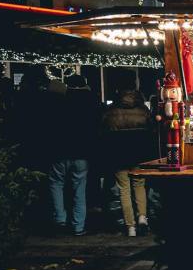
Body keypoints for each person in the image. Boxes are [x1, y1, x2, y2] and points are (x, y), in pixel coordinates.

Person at [47, 74, 101, 236]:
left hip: (60, 151)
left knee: (56, 184)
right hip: (81, 152)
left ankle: (60, 220)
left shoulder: (58, 103)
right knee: (79, 189)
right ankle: (78, 226)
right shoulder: (91, 104)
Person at [101, 88, 156, 236]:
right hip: (139, 154)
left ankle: (130, 226)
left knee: (124, 189)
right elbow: (152, 131)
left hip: (118, 155)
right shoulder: (143, 110)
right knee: (139, 185)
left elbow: (103, 132)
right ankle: (142, 218)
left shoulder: (110, 111)